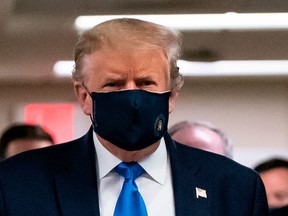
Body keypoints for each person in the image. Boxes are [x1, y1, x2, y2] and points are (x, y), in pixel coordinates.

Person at [0, 18, 268, 215]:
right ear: (84, 97)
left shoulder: (234, 188)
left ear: (171, 95)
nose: (133, 99)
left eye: (145, 82)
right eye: (114, 84)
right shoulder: (18, 184)